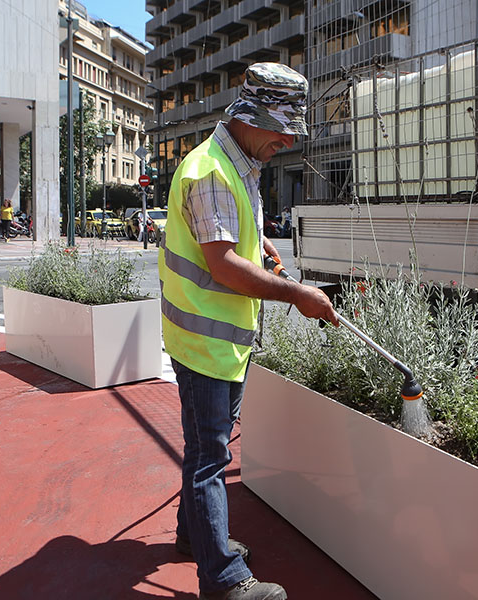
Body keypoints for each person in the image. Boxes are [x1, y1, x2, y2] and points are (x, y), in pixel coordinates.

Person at [159, 62, 337, 600]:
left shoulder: (236, 165)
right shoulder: (213, 171)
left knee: (201, 450)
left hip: (216, 338)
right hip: (206, 341)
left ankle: (196, 538)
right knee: (211, 457)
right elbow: (223, 267)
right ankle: (223, 581)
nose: (286, 141)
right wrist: (296, 294)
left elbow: (230, 244)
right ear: (253, 117)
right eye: (282, 129)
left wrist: (258, 244)